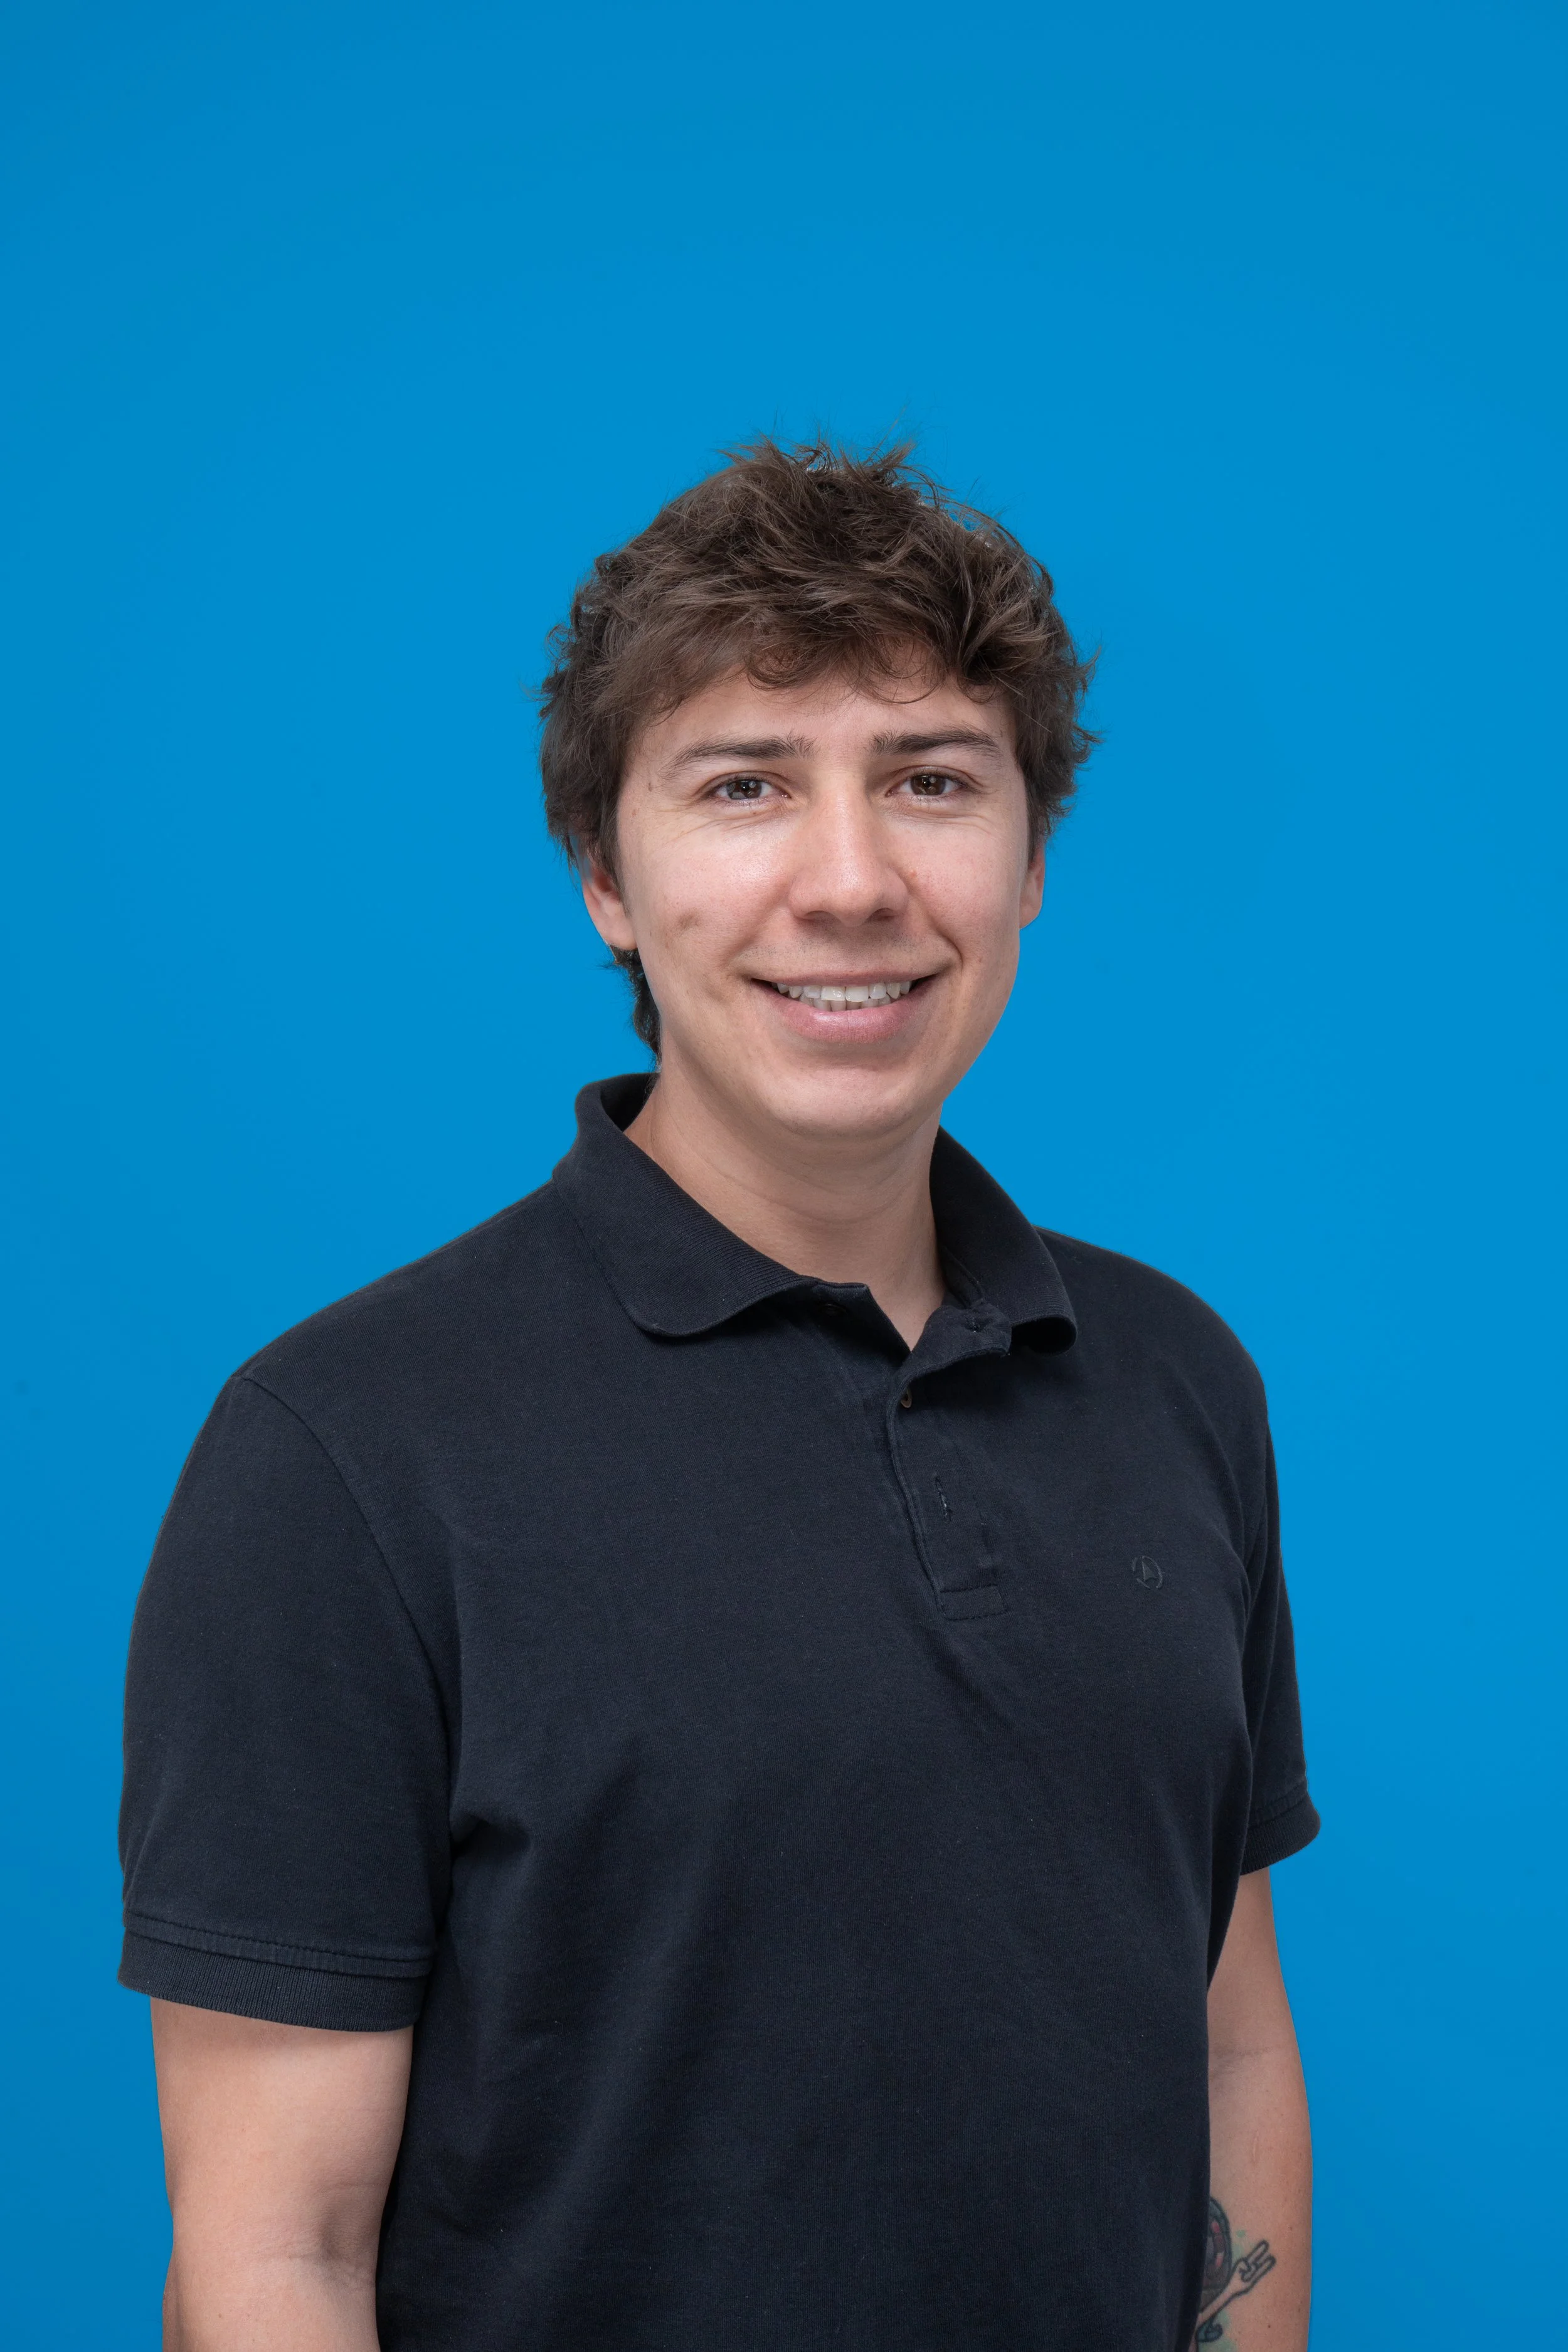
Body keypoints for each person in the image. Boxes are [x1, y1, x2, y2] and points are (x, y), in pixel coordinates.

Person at [120, 438, 1317, 2352]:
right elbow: (278, 2248)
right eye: (744, 786)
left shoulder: (1176, 1381)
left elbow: (1229, 2046)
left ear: (1026, 858)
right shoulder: (343, 1453)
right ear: (604, 873)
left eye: (930, 780)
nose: (849, 884)